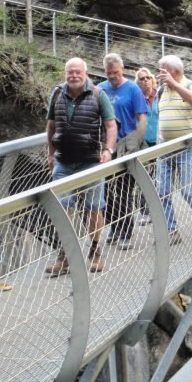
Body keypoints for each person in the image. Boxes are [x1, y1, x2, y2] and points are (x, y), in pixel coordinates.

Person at [45, 57, 118, 277]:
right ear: (65, 73)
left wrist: (108, 150)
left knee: (93, 207)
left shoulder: (98, 94)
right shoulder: (57, 94)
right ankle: (64, 255)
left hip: (91, 161)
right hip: (63, 161)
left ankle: (95, 252)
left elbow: (111, 125)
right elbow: (50, 126)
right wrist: (50, 153)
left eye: (78, 72)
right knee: (62, 209)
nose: (73, 75)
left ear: (85, 73)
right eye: (70, 72)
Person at [155, 55, 192, 245]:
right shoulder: (161, 90)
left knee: (188, 190)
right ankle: (172, 230)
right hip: (164, 148)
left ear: (173, 71)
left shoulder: (191, 85)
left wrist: (175, 85)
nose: (159, 74)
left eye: (162, 70)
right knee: (162, 192)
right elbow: (160, 119)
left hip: (188, 148)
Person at [98, 53, 148, 250]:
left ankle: (126, 231)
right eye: (109, 73)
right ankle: (115, 227)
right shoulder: (100, 88)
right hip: (106, 148)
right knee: (105, 191)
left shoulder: (133, 89)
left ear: (123, 69)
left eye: (116, 73)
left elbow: (142, 119)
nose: (113, 77)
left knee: (124, 190)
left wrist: (134, 143)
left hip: (127, 145)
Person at [135, 67, 158, 225]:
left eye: (148, 77)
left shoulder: (160, 94)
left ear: (152, 79)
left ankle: (157, 209)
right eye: (142, 78)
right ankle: (144, 211)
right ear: (138, 82)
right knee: (145, 178)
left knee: (159, 177)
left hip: (160, 141)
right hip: (143, 143)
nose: (145, 80)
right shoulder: (136, 97)